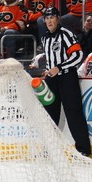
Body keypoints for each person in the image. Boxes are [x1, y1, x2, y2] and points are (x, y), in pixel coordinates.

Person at [41, 7, 91, 157]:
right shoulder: (44, 37)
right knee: (49, 114)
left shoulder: (66, 34)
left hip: (67, 78)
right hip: (52, 79)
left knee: (73, 113)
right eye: (47, 18)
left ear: (58, 18)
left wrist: (59, 67)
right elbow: (51, 57)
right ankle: (49, 148)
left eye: (52, 17)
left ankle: (83, 149)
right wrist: (47, 68)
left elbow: (78, 55)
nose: (49, 20)